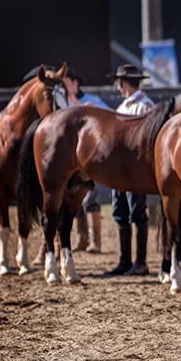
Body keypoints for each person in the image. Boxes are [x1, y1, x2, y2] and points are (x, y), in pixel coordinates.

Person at [105, 64, 154, 276]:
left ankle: (139, 261)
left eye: (119, 81)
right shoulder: (130, 106)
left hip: (134, 172)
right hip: (123, 173)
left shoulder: (143, 107)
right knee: (122, 213)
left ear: (123, 83)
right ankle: (127, 260)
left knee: (136, 212)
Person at [63, 66, 110, 255]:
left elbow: (108, 119)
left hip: (89, 157)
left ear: (75, 83)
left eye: (67, 82)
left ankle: (95, 241)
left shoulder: (93, 102)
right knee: (73, 198)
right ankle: (81, 238)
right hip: (69, 159)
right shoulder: (63, 102)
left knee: (91, 198)